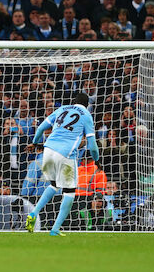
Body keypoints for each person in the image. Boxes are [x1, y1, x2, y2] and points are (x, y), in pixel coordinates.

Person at [25, 93, 99, 236]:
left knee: (54, 184)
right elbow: (92, 146)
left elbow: (40, 128)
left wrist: (35, 143)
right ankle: (55, 229)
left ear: (74, 101)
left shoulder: (62, 109)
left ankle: (33, 213)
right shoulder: (86, 115)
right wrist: (97, 159)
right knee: (70, 193)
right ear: (86, 104)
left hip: (48, 151)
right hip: (66, 154)